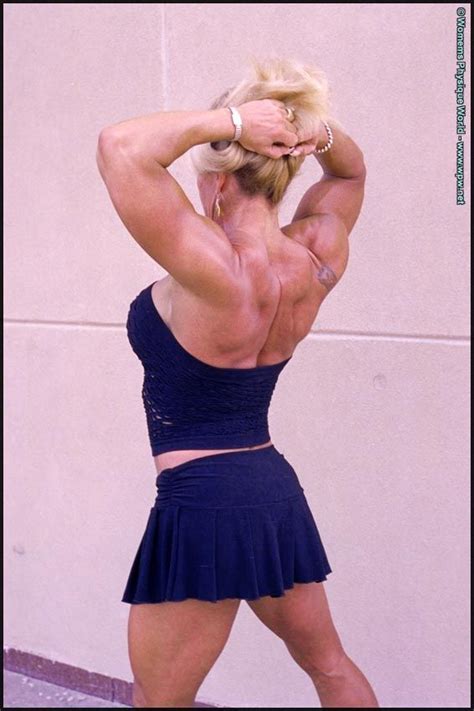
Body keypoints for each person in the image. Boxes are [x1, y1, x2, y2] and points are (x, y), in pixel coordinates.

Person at [96, 57, 378, 708]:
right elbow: (353, 171)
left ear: (219, 181)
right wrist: (322, 136)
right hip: (270, 488)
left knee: (156, 698)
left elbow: (119, 146)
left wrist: (227, 122)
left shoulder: (210, 264)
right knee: (330, 665)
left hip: (203, 503)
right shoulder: (315, 253)